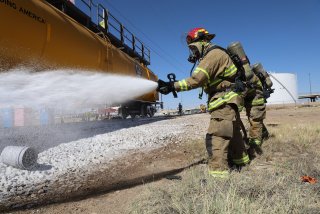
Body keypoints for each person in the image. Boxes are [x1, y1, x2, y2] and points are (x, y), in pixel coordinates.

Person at [157, 28, 250, 177]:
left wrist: (171, 86)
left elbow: (197, 79)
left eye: (193, 47)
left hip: (223, 101)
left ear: (202, 41)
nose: (193, 52)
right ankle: (241, 162)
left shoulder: (213, 55)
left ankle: (218, 177)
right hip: (229, 100)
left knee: (216, 137)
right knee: (233, 134)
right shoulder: (216, 53)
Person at [245, 63, 274, 157]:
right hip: (252, 101)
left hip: (256, 101)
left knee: (255, 121)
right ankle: (265, 135)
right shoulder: (248, 74)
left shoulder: (249, 76)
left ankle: (255, 145)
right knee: (255, 120)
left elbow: (246, 89)